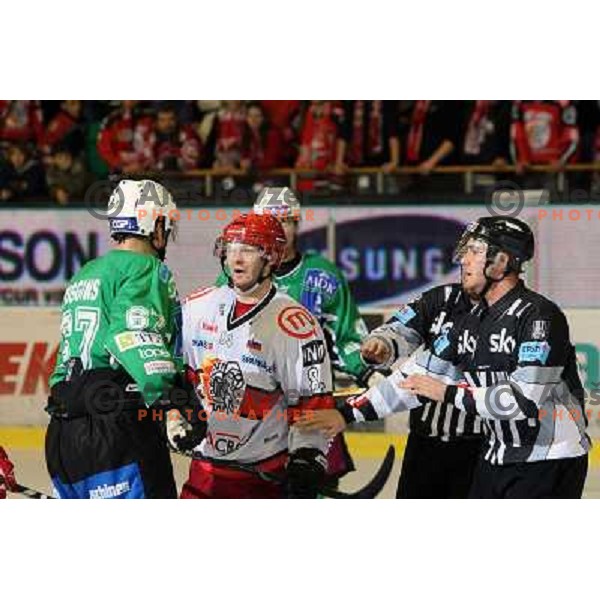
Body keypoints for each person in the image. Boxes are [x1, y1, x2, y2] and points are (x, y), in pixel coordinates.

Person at [401, 216, 590, 498]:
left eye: (474, 251)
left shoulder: (540, 316)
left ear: (501, 261)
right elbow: (419, 373)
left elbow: (523, 401)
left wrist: (447, 393)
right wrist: (347, 414)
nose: (463, 260)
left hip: (549, 460)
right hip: (495, 455)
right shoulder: (472, 318)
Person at [46, 179, 199, 499]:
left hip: (63, 435)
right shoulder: (147, 268)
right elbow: (130, 333)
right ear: (155, 224)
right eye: (166, 227)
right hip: (116, 432)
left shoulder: (86, 273)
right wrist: (170, 403)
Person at [217, 187, 376, 481]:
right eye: (271, 221)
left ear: (298, 224)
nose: (280, 228)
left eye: (287, 221)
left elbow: (347, 338)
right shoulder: (232, 277)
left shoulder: (323, 276)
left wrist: (370, 374)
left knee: (310, 487)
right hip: (251, 412)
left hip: (308, 409)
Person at [176, 212, 334, 499]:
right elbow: (177, 378)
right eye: (230, 249)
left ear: (272, 257)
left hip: (264, 479)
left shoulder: (296, 325)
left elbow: (313, 405)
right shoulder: (194, 308)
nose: (235, 259)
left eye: (247, 250)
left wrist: (307, 458)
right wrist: (176, 415)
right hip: (204, 475)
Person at [297, 281, 484, 498]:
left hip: (485, 449)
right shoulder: (444, 296)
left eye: (476, 250)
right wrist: (383, 342)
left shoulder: (524, 313)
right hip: (426, 443)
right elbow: (400, 328)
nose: (464, 259)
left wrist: (347, 412)